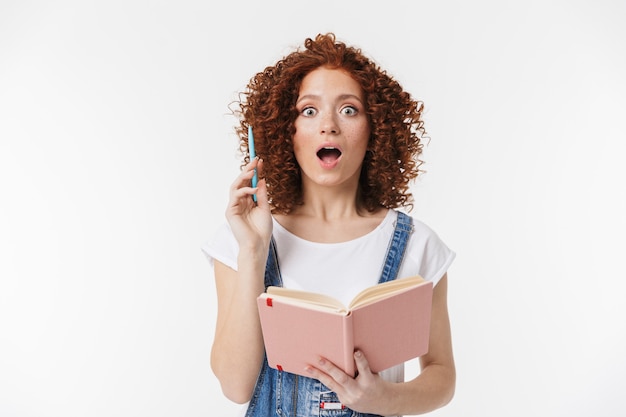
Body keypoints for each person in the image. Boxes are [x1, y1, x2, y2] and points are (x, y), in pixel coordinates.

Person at [202, 33, 456, 417]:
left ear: (376, 130)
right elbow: (235, 387)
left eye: (349, 110)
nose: (329, 126)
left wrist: (384, 399)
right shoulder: (243, 240)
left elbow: (442, 376)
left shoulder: (417, 244)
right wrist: (253, 252)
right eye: (309, 111)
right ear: (287, 131)